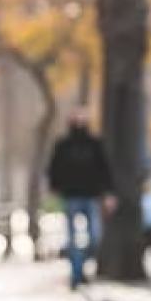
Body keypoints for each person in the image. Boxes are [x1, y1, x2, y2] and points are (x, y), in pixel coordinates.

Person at [46, 107, 116, 290]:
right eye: (76, 115)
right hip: (70, 197)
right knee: (72, 239)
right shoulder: (63, 145)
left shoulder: (95, 144)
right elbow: (53, 169)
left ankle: (81, 266)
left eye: (82, 115)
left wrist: (108, 193)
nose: (79, 118)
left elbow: (105, 170)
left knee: (95, 236)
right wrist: (53, 190)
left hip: (92, 197)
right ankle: (76, 275)